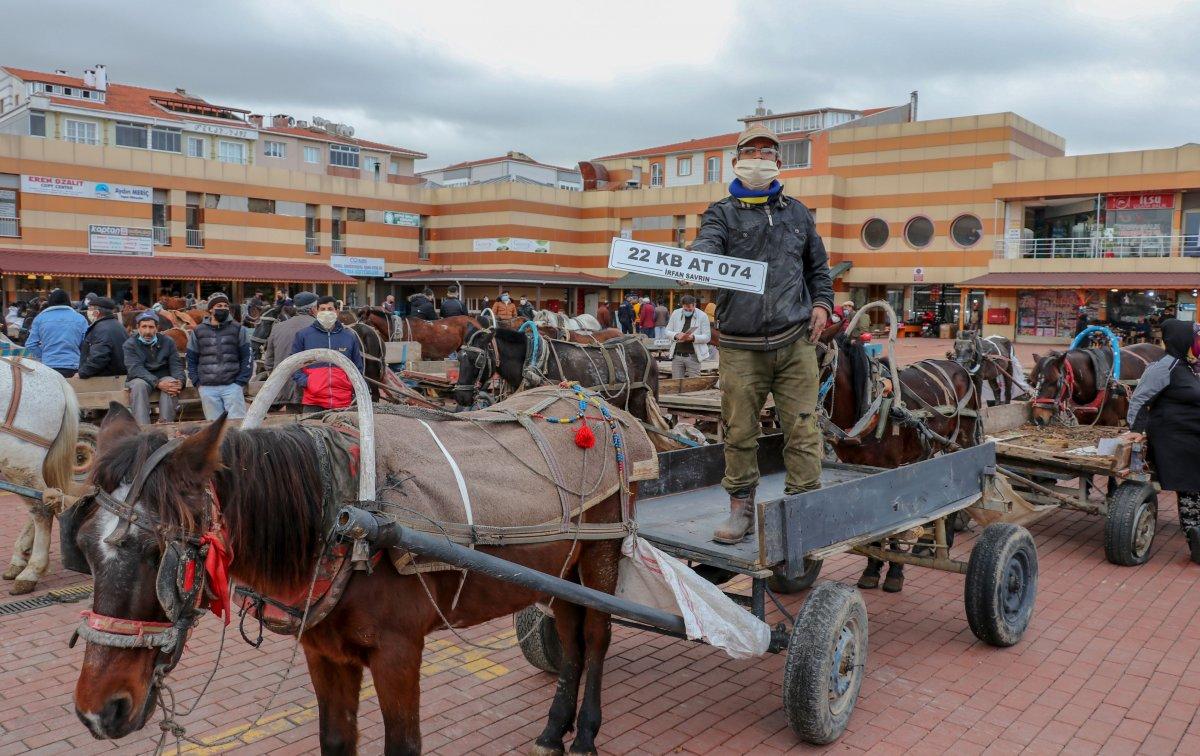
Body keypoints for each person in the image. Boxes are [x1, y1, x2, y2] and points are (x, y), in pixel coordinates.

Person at [690, 123, 834, 544]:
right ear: (737, 161)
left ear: (778, 162)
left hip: (795, 342)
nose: (760, 158)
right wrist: (696, 261)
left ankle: (800, 511)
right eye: (751, 151)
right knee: (739, 432)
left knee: (805, 429)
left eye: (768, 152)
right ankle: (741, 512)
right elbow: (707, 245)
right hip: (740, 346)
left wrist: (822, 305)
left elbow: (818, 270)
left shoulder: (798, 213)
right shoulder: (721, 213)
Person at [1126, 319, 1200, 562]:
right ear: (1181, 340)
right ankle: (1195, 537)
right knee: (1191, 481)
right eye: (1193, 338)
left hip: (1191, 432)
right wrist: (1135, 429)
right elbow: (1139, 400)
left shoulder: (1187, 366)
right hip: (1175, 437)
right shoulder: (1163, 367)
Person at [292, 295, 365, 413]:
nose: (326, 312)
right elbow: (294, 365)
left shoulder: (349, 336)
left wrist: (349, 384)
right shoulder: (303, 335)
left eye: (330, 309)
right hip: (313, 402)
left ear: (337, 311)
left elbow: (358, 367)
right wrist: (307, 382)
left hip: (343, 401)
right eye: (323, 309)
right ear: (316, 311)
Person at [186, 292, 252, 420]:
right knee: (214, 427)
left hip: (232, 386)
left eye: (225, 306)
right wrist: (197, 381)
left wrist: (240, 381)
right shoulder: (198, 331)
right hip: (207, 388)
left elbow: (247, 356)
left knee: (238, 424)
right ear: (210, 309)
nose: (223, 308)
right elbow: (191, 358)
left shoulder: (239, 329)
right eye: (219, 305)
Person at [124, 312, 184, 424]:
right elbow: (135, 369)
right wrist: (157, 383)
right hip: (141, 378)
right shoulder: (130, 344)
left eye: (151, 327)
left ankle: (166, 425)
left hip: (163, 377)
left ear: (157, 328)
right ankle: (143, 428)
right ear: (138, 328)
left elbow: (176, 365)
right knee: (139, 386)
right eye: (144, 327)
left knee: (171, 383)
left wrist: (179, 381)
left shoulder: (168, 342)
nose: (147, 331)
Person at [264, 291, 318, 405]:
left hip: (284, 389)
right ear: (313, 309)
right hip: (311, 391)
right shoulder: (320, 327)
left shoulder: (278, 327)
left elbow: (269, 361)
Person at [24, 288, 87, 378]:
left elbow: (30, 345)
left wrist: (45, 355)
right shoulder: (80, 318)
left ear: (50, 302)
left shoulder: (40, 318)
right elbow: (87, 344)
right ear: (68, 301)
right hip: (73, 366)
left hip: (49, 366)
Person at [78, 297, 128, 378]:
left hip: (104, 380)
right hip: (117, 377)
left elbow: (99, 357)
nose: (88, 312)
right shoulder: (117, 325)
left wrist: (82, 372)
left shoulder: (101, 329)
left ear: (97, 312)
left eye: (90, 309)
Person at [665, 295, 712, 378]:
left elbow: (707, 337)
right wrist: (676, 335)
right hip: (677, 356)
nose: (687, 311)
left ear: (694, 305)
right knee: (676, 384)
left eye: (690, 309)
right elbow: (667, 331)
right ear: (682, 306)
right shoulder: (676, 313)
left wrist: (693, 338)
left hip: (693, 356)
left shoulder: (703, 316)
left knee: (694, 384)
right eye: (685, 309)